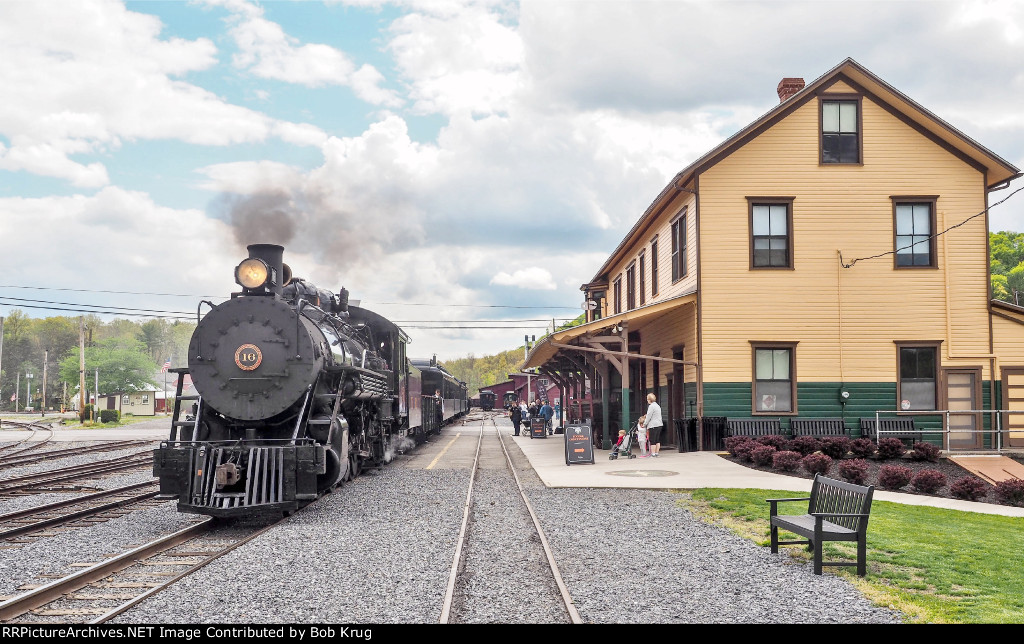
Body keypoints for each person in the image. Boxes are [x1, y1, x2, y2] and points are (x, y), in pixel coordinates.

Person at [644, 392, 664, 457]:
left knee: (652, 440)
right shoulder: (658, 406)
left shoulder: (651, 406)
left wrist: (645, 423)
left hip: (653, 425)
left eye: (647, 399)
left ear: (649, 399)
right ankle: (656, 453)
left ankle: (652, 453)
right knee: (657, 440)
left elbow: (649, 416)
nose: (647, 401)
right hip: (659, 424)